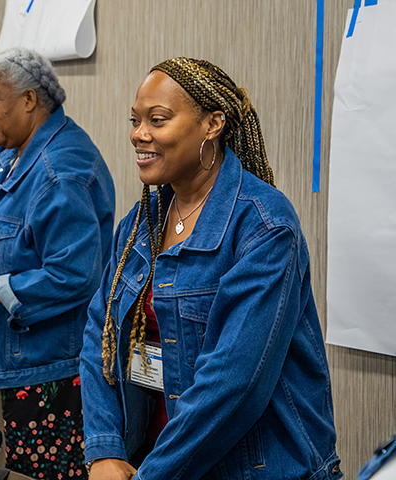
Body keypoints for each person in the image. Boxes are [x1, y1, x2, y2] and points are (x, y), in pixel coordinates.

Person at [80, 58, 342, 479]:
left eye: (157, 120)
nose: (139, 134)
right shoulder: (142, 221)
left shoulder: (264, 226)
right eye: (135, 120)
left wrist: (152, 475)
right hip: (150, 457)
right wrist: (105, 450)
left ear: (212, 124)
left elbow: (234, 382)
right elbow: (100, 333)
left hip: (250, 468)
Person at [0, 47, 115, 479]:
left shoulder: (60, 170)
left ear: (29, 100)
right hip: (24, 361)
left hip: (54, 369)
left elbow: (75, 274)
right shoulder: (15, 149)